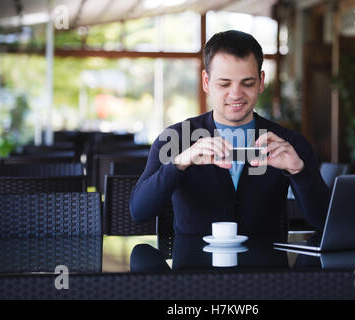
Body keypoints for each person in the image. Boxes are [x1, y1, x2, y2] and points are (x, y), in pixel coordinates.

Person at [130, 30, 330, 238]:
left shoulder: (289, 144)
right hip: (194, 268)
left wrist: (299, 172)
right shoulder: (175, 139)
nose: (235, 94)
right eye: (224, 84)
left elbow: (325, 223)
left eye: (248, 83)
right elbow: (139, 212)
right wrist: (179, 163)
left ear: (261, 81)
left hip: (267, 268)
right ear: (206, 82)